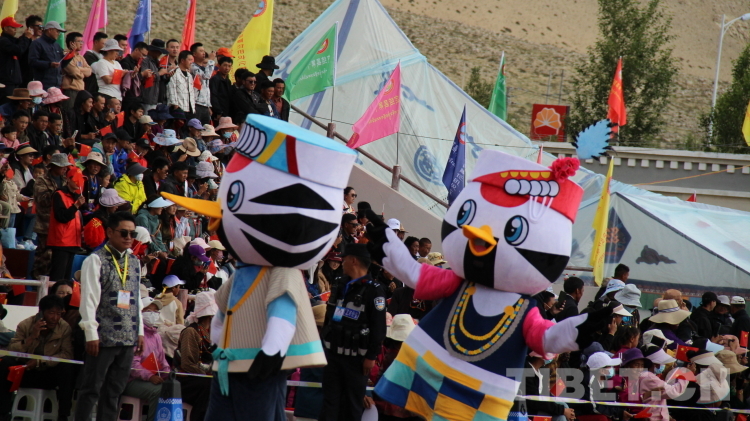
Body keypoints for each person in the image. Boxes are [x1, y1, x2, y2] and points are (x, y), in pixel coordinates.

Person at [76, 211, 144, 421]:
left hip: (128, 336)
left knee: (114, 391)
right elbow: (88, 299)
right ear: (109, 232)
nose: (128, 237)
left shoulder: (135, 261)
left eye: (132, 234)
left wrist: (140, 331)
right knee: (91, 389)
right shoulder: (95, 260)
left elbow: (137, 298)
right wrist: (90, 333)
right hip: (103, 336)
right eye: (124, 233)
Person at [320, 244, 387, 421]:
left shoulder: (374, 290)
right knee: (329, 403)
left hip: (357, 359)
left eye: (344, 259)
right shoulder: (339, 284)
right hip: (333, 354)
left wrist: (371, 356)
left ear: (354, 260)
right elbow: (328, 317)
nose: (342, 262)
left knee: (352, 405)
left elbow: (378, 328)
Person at [0, 295, 74, 421]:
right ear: (41, 312)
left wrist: (41, 362)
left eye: (58, 314)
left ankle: (63, 415)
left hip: (49, 373)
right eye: (51, 313)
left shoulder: (64, 328)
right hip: (26, 372)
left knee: (66, 367)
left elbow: (67, 354)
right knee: (6, 363)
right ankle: (3, 413)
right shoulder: (26, 325)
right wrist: (32, 337)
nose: (55, 318)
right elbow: (11, 350)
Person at [122, 296, 170, 421]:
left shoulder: (156, 336)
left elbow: (162, 360)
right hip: (130, 380)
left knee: (172, 387)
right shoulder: (134, 334)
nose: (152, 314)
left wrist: (168, 375)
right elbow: (133, 365)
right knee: (158, 391)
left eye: (155, 311)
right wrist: (150, 377)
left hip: (150, 378)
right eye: (149, 311)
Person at [176, 290, 216, 421]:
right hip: (186, 379)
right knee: (210, 386)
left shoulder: (210, 333)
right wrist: (207, 374)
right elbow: (187, 364)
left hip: (201, 377)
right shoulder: (191, 332)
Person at [32, 152, 70, 278]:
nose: (65, 168)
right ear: (53, 166)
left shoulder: (66, 181)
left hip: (61, 226)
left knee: (57, 260)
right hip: (45, 225)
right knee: (43, 258)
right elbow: (42, 200)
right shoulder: (41, 180)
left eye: (66, 166)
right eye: (62, 166)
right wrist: (59, 193)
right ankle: (37, 284)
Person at [47, 166, 86, 282]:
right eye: (76, 178)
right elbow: (61, 217)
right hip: (61, 241)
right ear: (68, 179)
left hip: (73, 241)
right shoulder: (59, 194)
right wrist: (76, 206)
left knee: (66, 278)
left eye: (81, 179)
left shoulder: (77, 197)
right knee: (57, 276)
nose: (79, 182)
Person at [0, 17, 33, 101]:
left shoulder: (13, 41)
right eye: (13, 27)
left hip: (15, 81)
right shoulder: (3, 41)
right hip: (6, 81)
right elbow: (18, 50)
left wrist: (25, 37)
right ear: (6, 28)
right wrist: (26, 38)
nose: (15, 30)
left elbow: (20, 46)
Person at [28, 21, 66, 89]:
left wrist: (70, 55)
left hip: (57, 85)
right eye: (57, 31)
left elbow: (62, 63)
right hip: (43, 85)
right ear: (50, 30)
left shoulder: (56, 45)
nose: (59, 34)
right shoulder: (37, 43)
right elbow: (32, 61)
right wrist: (49, 64)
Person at [60, 31, 91, 109]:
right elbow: (74, 73)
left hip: (80, 90)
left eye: (82, 41)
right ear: (71, 43)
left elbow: (89, 71)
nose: (81, 43)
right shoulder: (66, 55)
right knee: (69, 111)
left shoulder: (80, 57)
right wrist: (82, 72)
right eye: (79, 41)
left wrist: (79, 69)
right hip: (70, 90)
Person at [167, 50, 197, 118]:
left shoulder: (189, 75)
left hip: (190, 109)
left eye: (192, 60)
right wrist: (175, 105)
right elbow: (171, 89)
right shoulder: (174, 72)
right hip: (179, 109)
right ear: (182, 60)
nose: (191, 62)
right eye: (189, 60)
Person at [190, 43, 215, 123]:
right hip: (196, 103)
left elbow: (206, 88)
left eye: (204, 51)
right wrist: (211, 60)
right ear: (194, 54)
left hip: (205, 105)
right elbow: (206, 76)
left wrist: (208, 105)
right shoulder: (192, 67)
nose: (203, 53)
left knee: (205, 128)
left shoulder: (204, 68)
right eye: (201, 51)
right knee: (196, 126)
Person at [141, 39, 168, 112]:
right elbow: (146, 77)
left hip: (155, 98)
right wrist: (159, 73)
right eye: (158, 52)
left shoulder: (156, 62)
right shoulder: (145, 61)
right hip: (147, 97)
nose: (160, 54)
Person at [210, 56, 234, 121]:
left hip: (226, 112)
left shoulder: (228, 81)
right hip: (218, 113)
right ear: (219, 66)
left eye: (229, 66)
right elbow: (213, 96)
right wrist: (218, 111)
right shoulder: (215, 79)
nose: (227, 68)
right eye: (225, 65)